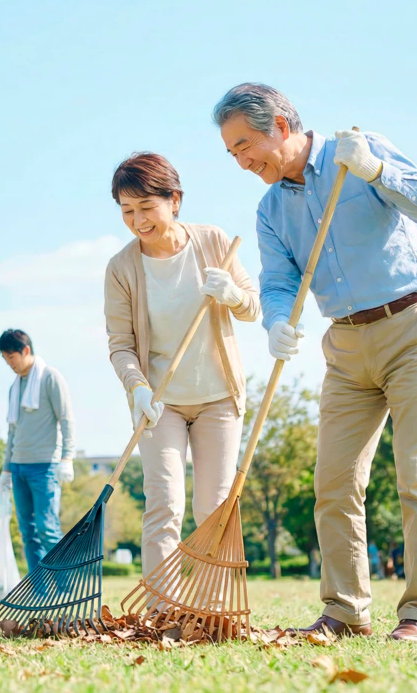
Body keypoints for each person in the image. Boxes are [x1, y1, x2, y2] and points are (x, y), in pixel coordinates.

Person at [214, 82, 417, 643]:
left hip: (414, 327)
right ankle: (344, 611)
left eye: (246, 145)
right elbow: (279, 282)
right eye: (233, 154)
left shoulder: (359, 150)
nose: (243, 161)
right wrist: (275, 320)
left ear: (280, 123)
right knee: (335, 481)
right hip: (345, 345)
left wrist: (375, 171)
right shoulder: (271, 208)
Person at [103, 153, 261, 578]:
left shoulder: (212, 241)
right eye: (127, 210)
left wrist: (231, 294)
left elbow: (252, 307)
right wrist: (137, 388)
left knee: (214, 507)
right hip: (160, 403)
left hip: (218, 398)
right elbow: (121, 345)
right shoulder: (121, 268)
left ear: (174, 200)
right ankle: (160, 612)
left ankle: (212, 609)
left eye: (146, 207)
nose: (138, 221)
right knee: (164, 504)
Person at [0, 329, 75, 575]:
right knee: (27, 532)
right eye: (5, 359)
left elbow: (66, 419)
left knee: (47, 527)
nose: (9, 363)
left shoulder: (50, 377)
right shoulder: (15, 387)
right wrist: (6, 470)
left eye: (11, 357)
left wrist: (67, 458)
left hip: (45, 467)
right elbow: (12, 431)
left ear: (26, 351)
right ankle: (39, 590)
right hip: (19, 467)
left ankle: (65, 585)